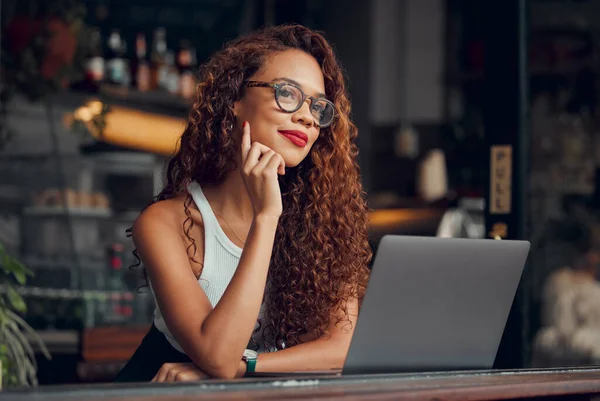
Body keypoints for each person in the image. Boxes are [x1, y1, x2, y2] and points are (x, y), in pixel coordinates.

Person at [115, 24, 372, 382]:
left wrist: (248, 366)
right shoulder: (164, 222)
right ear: (235, 99)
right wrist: (266, 217)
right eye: (287, 93)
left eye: (318, 105)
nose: (307, 117)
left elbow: (339, 350)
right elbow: (218, 357)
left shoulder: (322, 223)